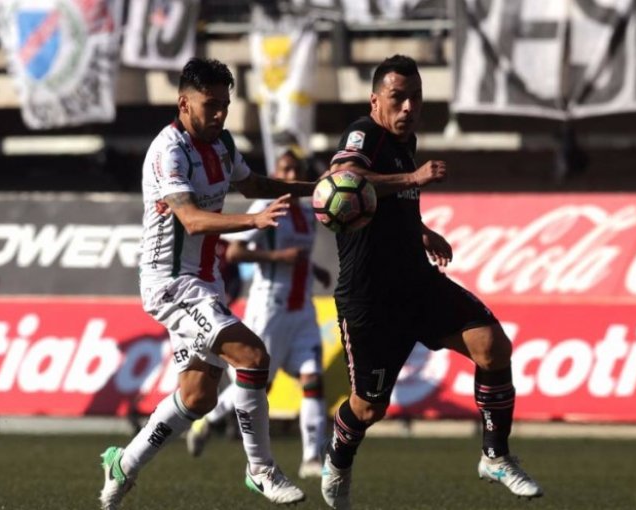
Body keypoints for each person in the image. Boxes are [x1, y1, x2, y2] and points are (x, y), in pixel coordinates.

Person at [319, 55, 544, 509]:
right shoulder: (364, 135)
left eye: (415, 98)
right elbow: (345, 178)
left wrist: (420, 230)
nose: (408, 108)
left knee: (494, 347)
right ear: (375, 100)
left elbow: (378, 199)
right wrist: (413, 176)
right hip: (370, 301)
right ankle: (339, 459)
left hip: (418, 285)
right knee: (367, 408)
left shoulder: (405, 142)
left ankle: (495, 456)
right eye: (398, 98)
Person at [98, 58, 315, 509]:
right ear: (183, 103)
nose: (219, 114)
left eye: (225, 105)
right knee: (253, 357)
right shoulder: (168, 151)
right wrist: (253, 220)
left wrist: (313, 189)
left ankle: (124, 464)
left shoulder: (222, 143)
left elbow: (253, 182)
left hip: (206, 281)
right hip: (171, 283)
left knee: (197, 398)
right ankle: (261, 468)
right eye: (210, 105)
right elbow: (193, 220)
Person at [185, 149, 331, 479]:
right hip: (270, 309)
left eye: (296, 170)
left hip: (302, 309)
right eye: (285, 170)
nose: (291, 177)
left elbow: (300, 255)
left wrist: (316, 270)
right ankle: (209, 419)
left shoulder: (308, 213)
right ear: (276, 174)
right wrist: (279, 256)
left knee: (313, 381)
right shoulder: (266, 208)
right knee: (255, 385)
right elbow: (234, 252)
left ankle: (311, 458)